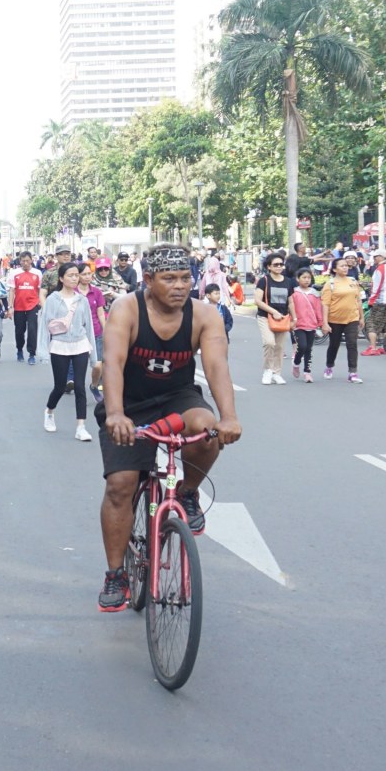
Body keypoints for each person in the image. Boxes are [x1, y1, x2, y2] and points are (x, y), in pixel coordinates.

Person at [94, 243, 242, 612]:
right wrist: (115, 414)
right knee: (121, 485)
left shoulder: (205, 315)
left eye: (185, 278)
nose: (179, 286)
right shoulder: (126, 308)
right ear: (147, 280)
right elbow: (111, 363)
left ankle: (187, 493)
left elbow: (216, 367)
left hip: (177, 398)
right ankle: (116, 574)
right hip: (128, 403)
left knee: (207, 430)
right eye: (169, 278)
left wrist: (229, 417)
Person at [37, 262, 97, 441]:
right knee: (60, 385)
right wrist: (42, 351)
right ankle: (49, 411)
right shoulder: (53, 300)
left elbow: (89, 328)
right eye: (70, 275)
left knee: (80, 386)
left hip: (80, 344)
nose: (74, 278)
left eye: (76, 275)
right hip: (59, 346)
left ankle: (81, 427)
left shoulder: (82, 300)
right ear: (61, 278)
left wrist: (94, 357)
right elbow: (44, 326)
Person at [254, 253, 297, 385]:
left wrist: (294, 318)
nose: (279, 267)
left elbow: (290, 301)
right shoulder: (264, 281)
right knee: (269, 343)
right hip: (265, 316)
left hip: (283, 318)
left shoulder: (288, 281)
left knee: (279, 347)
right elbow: (257, 301)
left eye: (281, 264)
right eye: (275, 265)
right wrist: (273, 312)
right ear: (269, 267)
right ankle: (267, 371)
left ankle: (276, 373)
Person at [320, 256, 364, 383]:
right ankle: (329, 366)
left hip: (352, 318)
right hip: (335, 320)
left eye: (346, 265)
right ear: (334, 269)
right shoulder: (330, 284)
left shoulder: (353, 281)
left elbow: (358, 300)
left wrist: (361, 317)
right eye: (342, 265)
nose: (345, 267)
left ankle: (353, 372)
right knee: (334, 345)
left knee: (352, 344)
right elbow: (325, 304)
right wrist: (325, 323)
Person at [76, 262, 106, 402]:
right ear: (78, 276)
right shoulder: (72, 293)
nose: (87, 277)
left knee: (98, 365)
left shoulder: (97, 292)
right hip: (77, 335)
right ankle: (79, 393)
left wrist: (106, 331)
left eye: (89, 274)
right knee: (79, 368)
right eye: (84, 274)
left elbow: (100, 314)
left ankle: (94, 386)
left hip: (96, 333)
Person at [8, 250, 41, 364]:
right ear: (20, 261)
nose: (26, 263)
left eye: (27, 261)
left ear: (31, 260)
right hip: (19, 306)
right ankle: (19, 350)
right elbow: (12, 290)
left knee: (32, 329)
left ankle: (32, 354)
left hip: (33, 305)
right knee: (19, 330)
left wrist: (39, 302)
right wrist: (10, 306)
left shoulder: (37, 273)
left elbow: (40, 289)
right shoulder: (14, 273)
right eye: (23, 261)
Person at [291, 268, 323, 383]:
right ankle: (296, 363)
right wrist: (291, 320)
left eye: (308, 278)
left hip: (312, 324)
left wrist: (320, 322)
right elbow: (290, 308)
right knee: (302, 346)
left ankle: (307, 372)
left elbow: (318, 309)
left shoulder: (315, 294)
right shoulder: (293, 292)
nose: (306, 280)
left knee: (309, 349)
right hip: (298, 324)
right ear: (297, 279)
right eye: (304, 277)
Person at [362, 248, 386, 356]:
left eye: (375, 256)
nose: (374, 258)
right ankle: (385, 348)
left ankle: (373, 348)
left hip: (379, 301)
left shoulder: (379, 269)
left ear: (381, 257)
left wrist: (371, 300)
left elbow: (377, 287)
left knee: (371, 324)